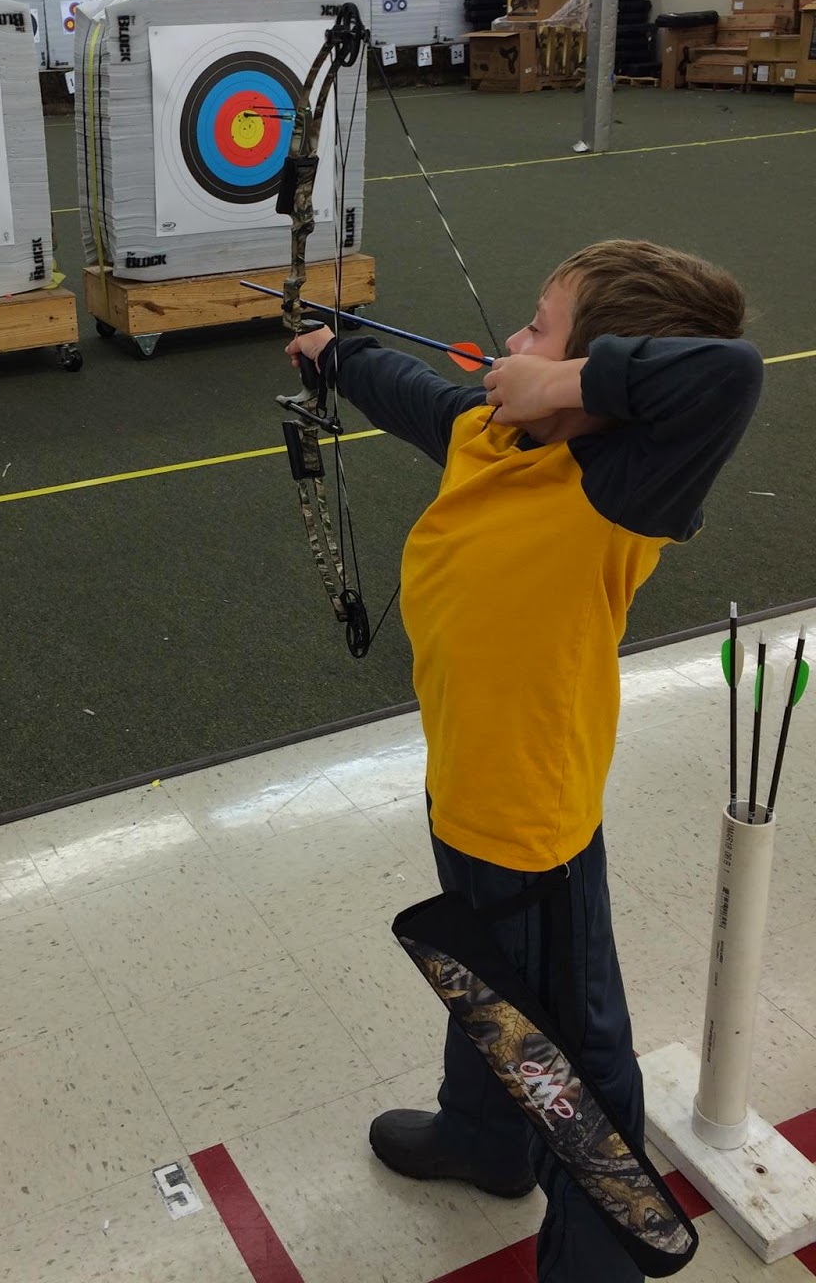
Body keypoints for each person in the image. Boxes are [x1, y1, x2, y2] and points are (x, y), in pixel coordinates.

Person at [286, 239, 763, 1283]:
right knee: (482, 967)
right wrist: (334, 354)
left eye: (539, 329)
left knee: (577, 1065)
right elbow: (413, 387)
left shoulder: (622, 486)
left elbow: (731, 374)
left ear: (598, 383)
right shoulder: (487, 430)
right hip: (466, 781)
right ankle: (484, 1136)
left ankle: (595, 1265)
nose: (512, 343)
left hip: (534, 823)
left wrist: (570, 378)